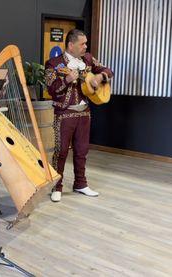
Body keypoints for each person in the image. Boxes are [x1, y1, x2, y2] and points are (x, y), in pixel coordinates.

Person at [44, 29, 114, 202]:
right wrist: (67, 80)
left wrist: (99, 77)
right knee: (60, 151)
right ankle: (56, 186)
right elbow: (51, 88)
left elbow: (108, 70)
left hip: (84, 112)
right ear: (71, 45)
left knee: (82, 150)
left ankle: (81, 184)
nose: (85, 47)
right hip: (64, 112)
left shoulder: (88, 59)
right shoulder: (54, 63)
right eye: (82, 44)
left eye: (86, 43)